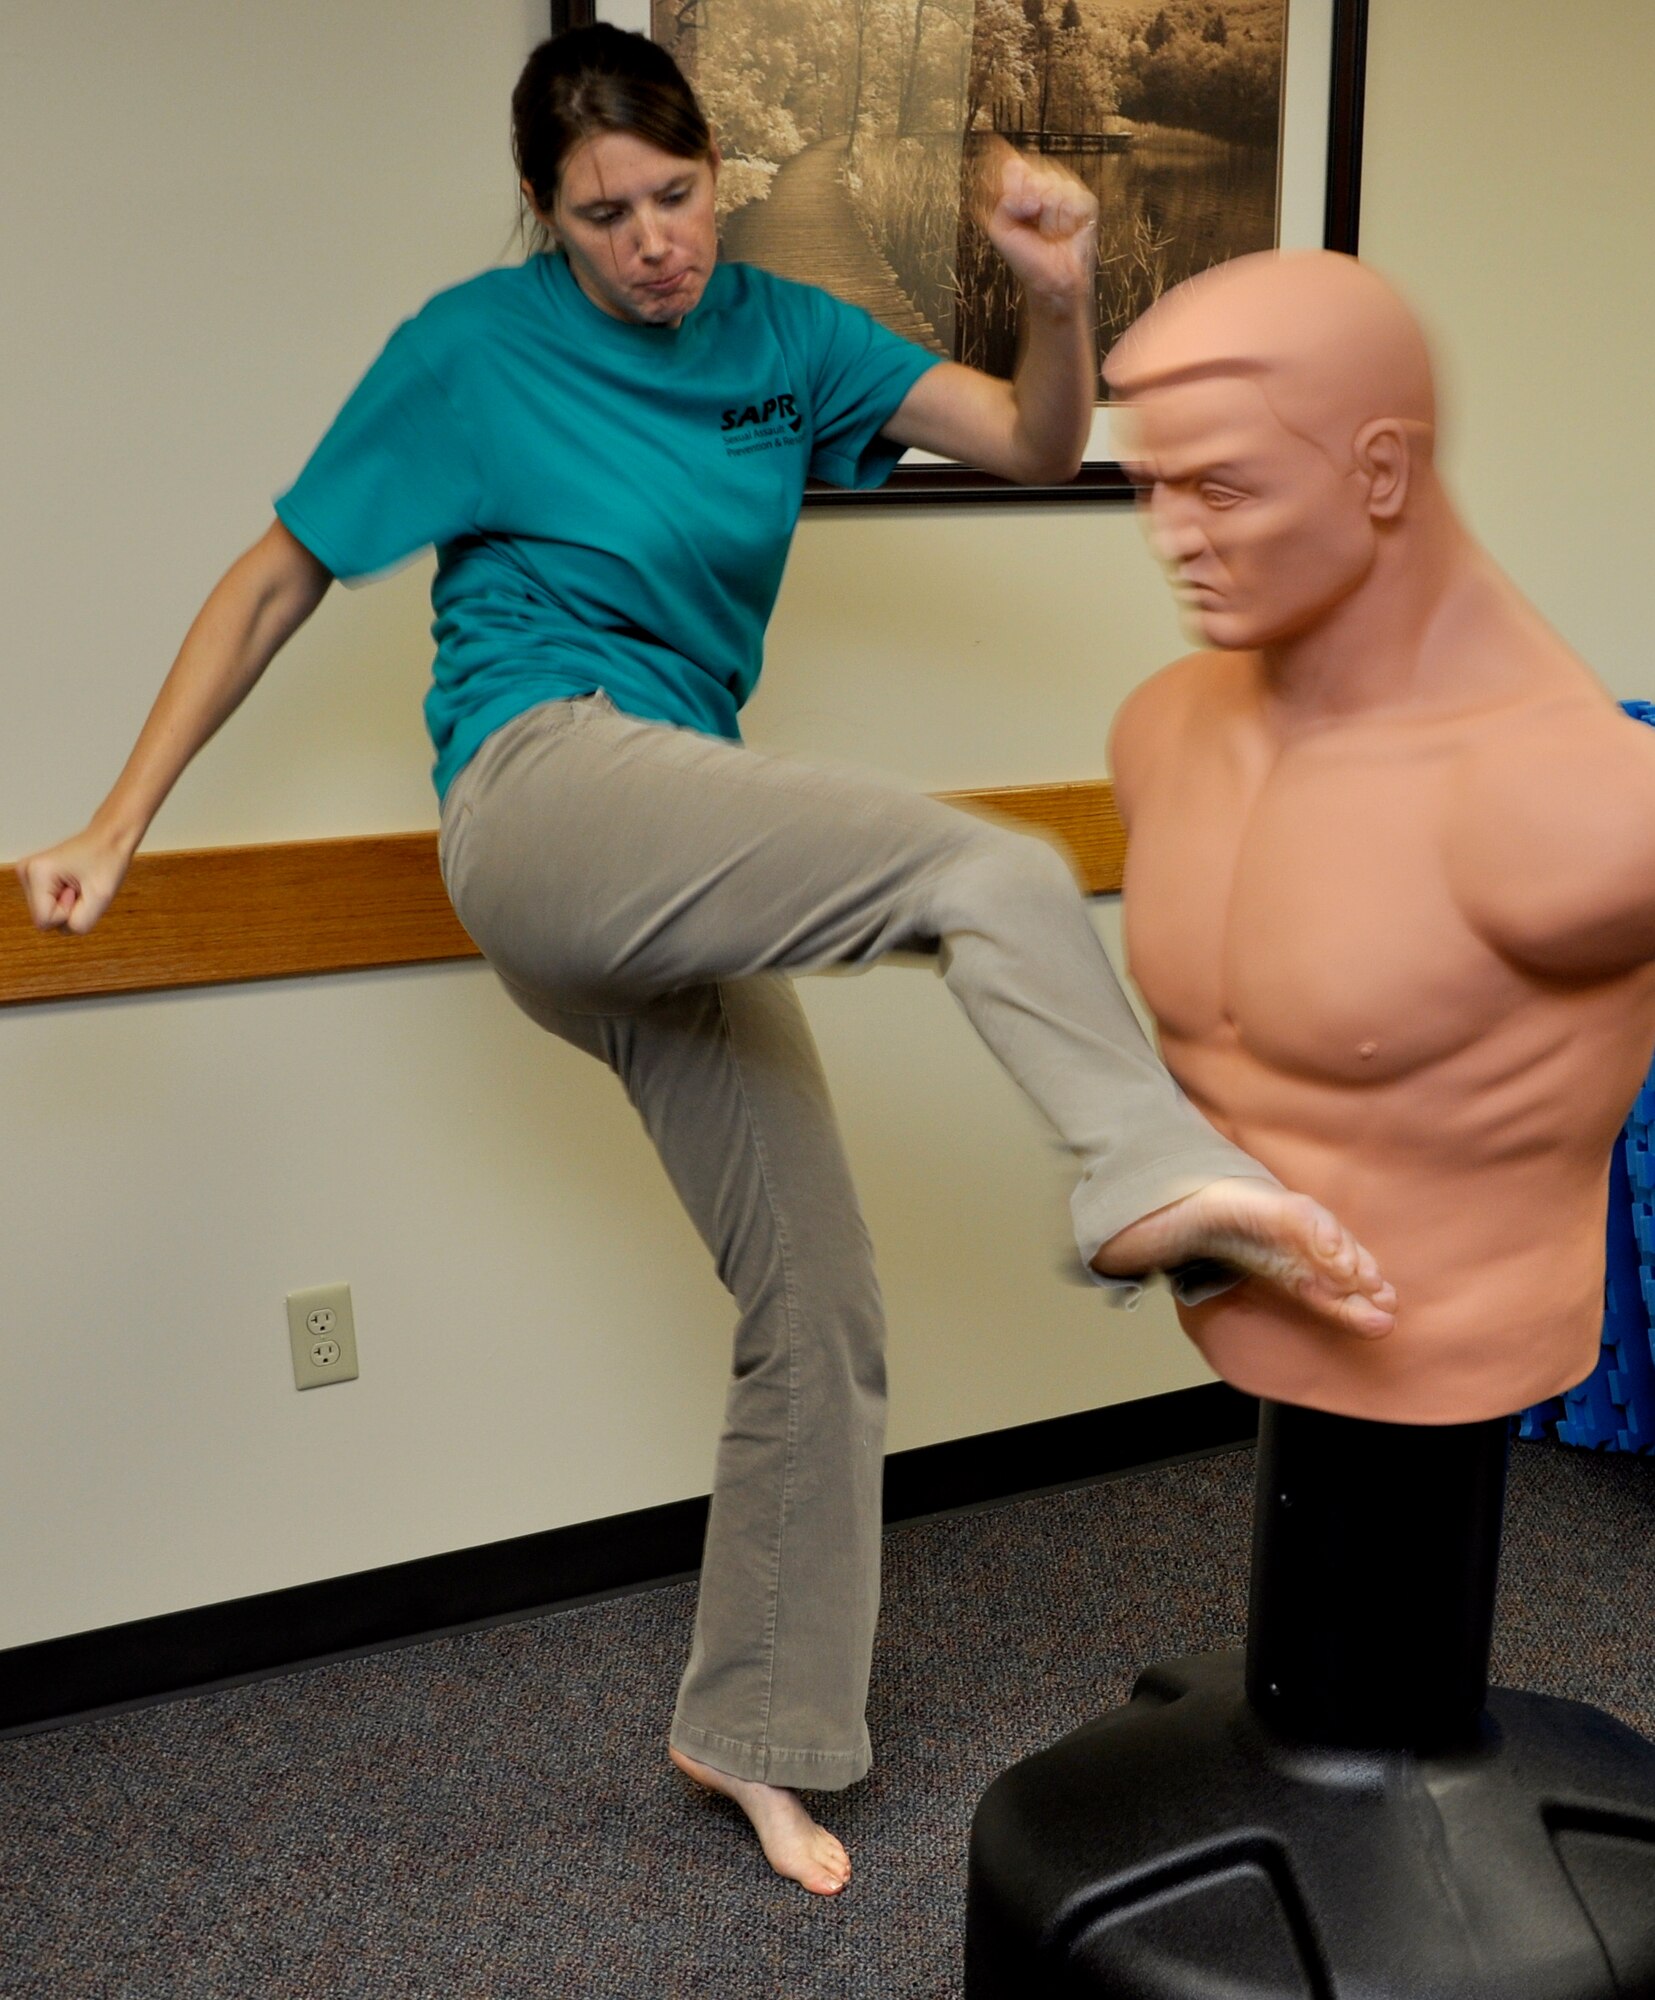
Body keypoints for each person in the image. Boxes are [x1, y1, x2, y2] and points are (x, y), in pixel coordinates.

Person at [15, 33, 1393, 1897]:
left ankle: (750, 1731)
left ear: (716, 169)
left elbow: (1038, 440)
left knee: (816, 1293)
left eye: (675, 196)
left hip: (664, 842)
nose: (651, 243)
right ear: (545, 215)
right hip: (541, 790)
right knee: (979, 865)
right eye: (604, 217)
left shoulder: (786, 335)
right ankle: (1152, 1171)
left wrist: (1058, 302)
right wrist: (120, 819)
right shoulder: (469, 351)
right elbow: (274, 578)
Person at [1103, 247, 1655, 1424]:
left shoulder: (1576, 797)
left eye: (1219, 488)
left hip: (1447, 1355)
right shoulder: (1158, 730)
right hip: (1235, 1326)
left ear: (1380, 471)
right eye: (1146, 485)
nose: (1168, 537)